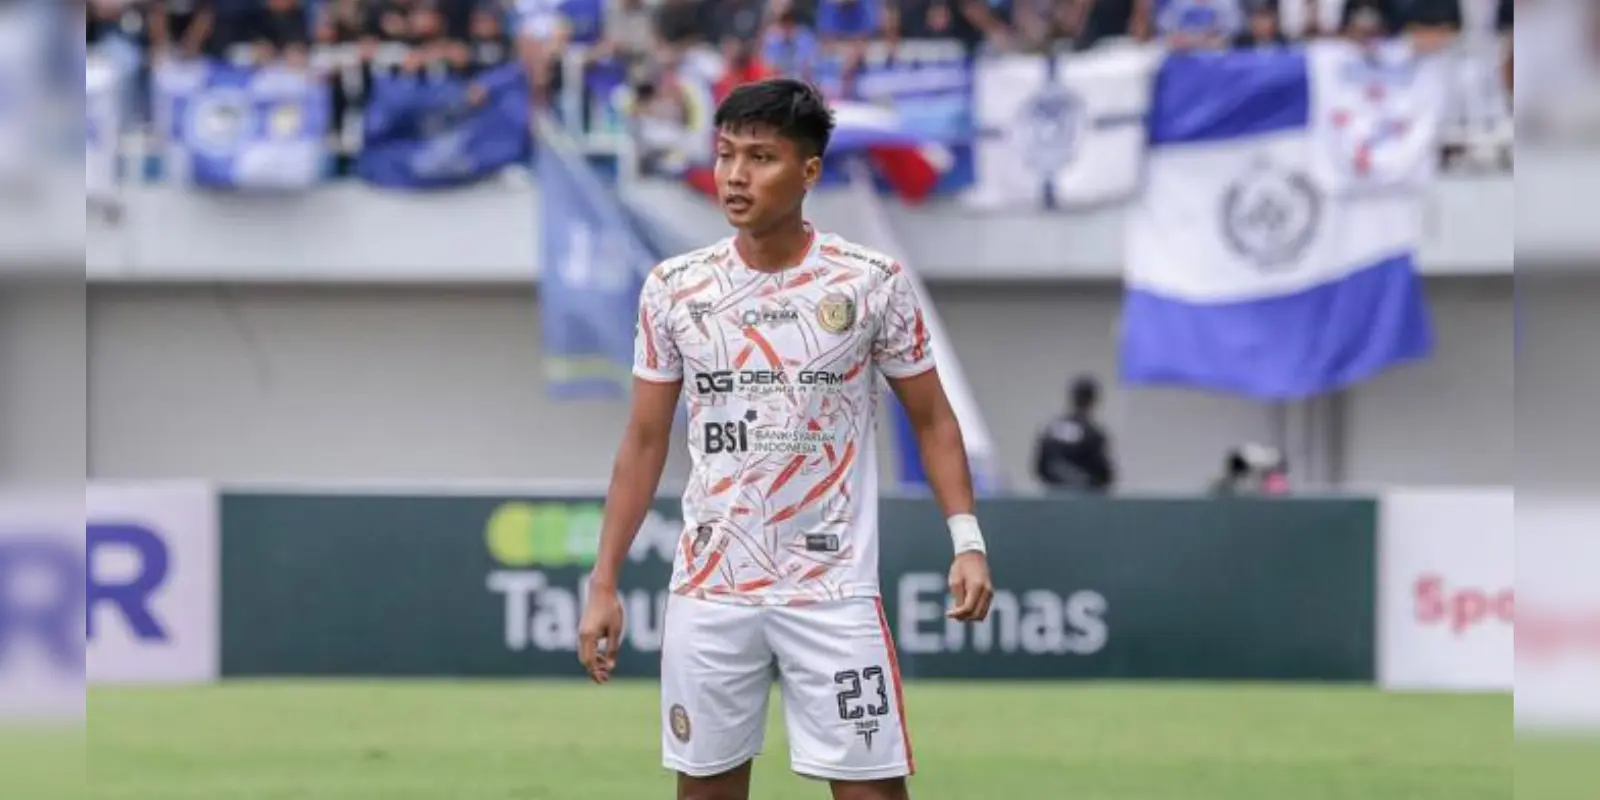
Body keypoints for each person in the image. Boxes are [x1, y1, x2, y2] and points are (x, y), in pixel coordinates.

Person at [577, 78, 995, 800]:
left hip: (832, 593)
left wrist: (967, 540)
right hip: (711, 592)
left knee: (871, 793)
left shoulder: (870, 284)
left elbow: (933, 419)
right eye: (726, 154)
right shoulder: (675, 288)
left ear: (809, 171)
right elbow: (643, 443)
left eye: (761, 157)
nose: (736, 175)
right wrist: (604, 583)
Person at [1032, 374, 1115, 493]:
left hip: (1054, 497)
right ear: (1092, 401)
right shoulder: (1093, 433)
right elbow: (1104, 475)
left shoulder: (1051, 430)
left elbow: (1039, 468)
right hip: (1084, 498)